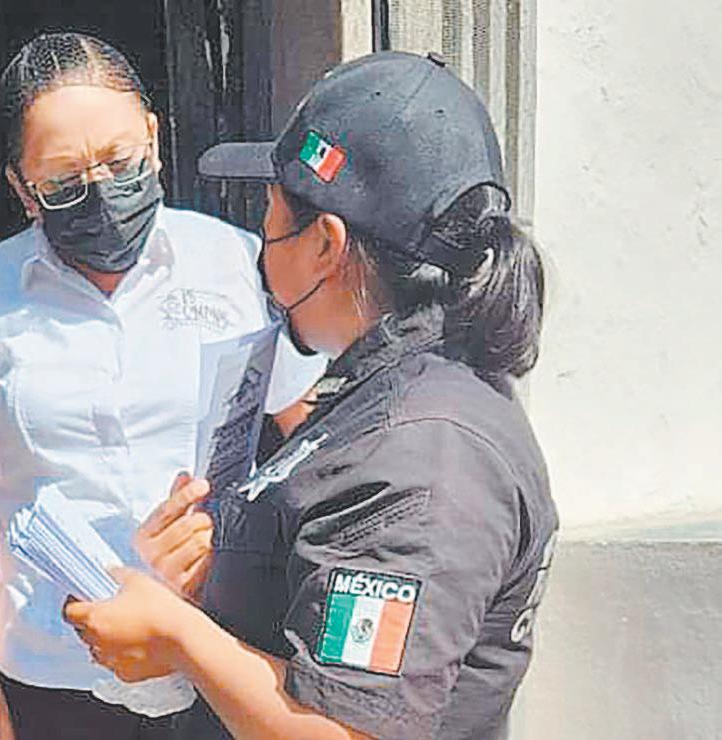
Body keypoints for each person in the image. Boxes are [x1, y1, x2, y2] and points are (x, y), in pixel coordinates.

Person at [64, 50, 559, 739]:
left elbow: (347, 728)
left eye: (268, 215)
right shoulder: (385, 393)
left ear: (325, 244)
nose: (259, 243)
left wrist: (176, 634)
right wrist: (209, 578)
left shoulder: (422, 454)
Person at [0, 32, 324, 740]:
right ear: (21, 187)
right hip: (52, 663)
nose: (100, 195)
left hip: (216, 646)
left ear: (153, 138)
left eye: (120, 162)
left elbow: (312, 442)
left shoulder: (234, 266)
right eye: (63, 182)